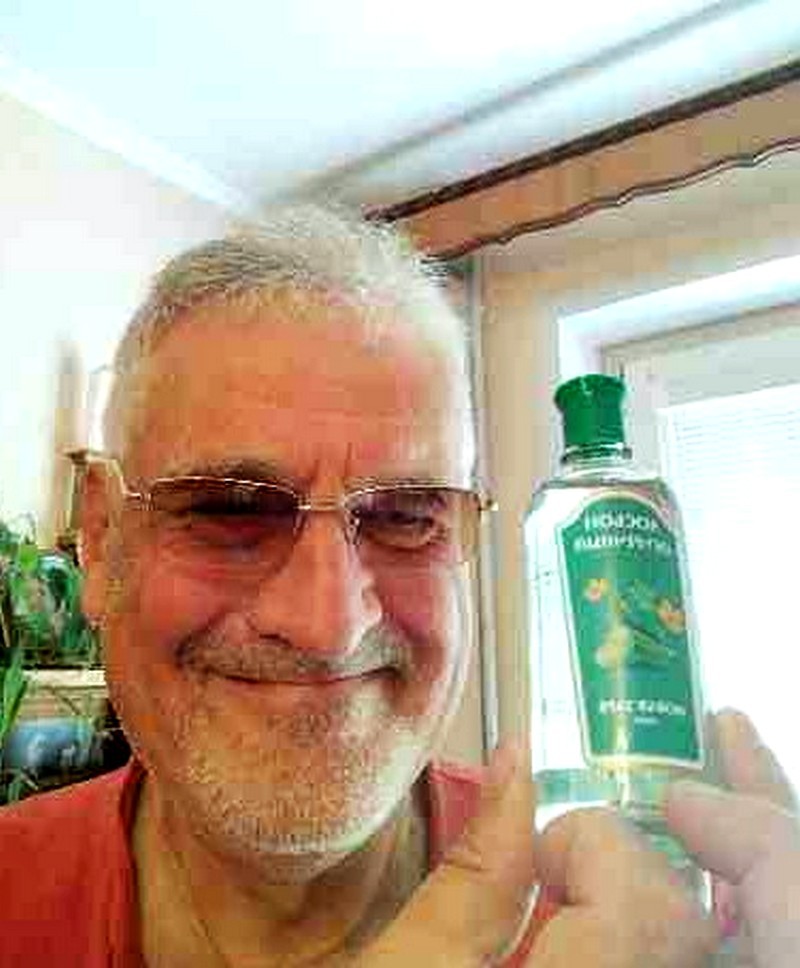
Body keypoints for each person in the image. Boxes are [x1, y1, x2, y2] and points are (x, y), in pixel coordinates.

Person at [0, 205, 796, 967]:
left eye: (407, 516)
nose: (328, 625)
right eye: (229, 509)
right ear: (101, 540)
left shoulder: (650, 925)